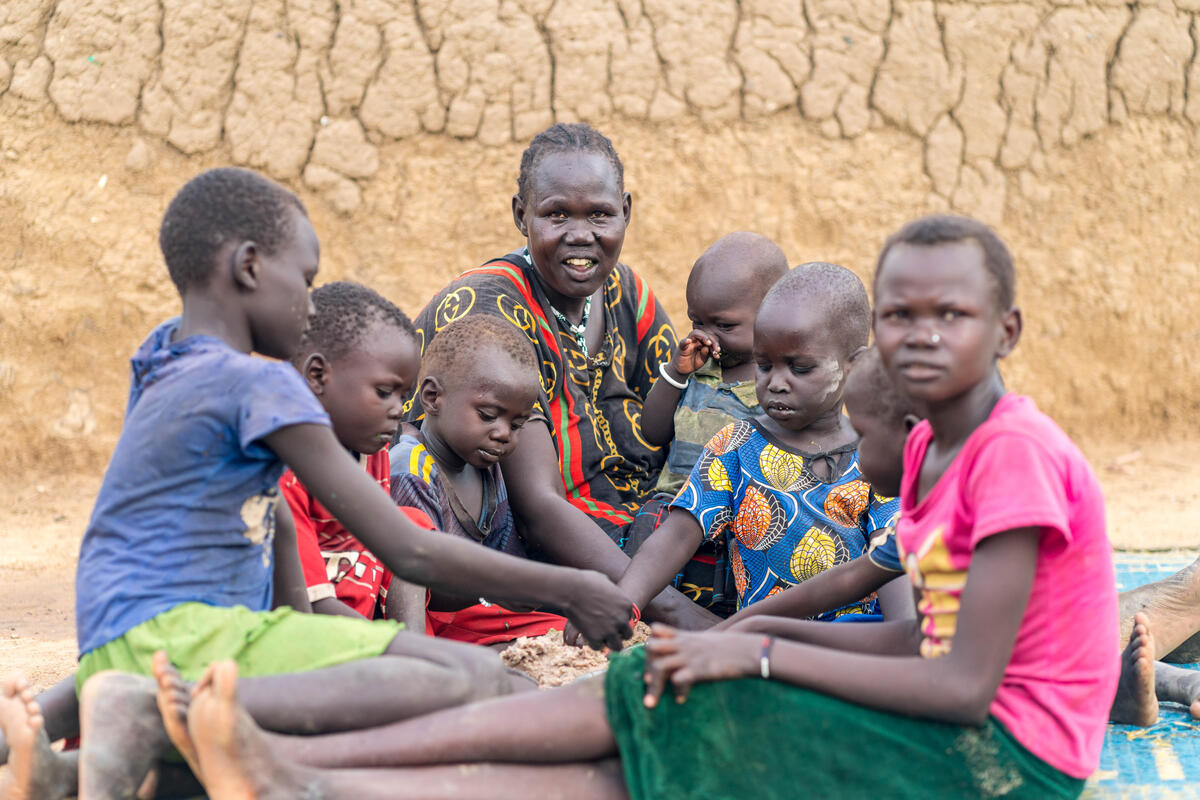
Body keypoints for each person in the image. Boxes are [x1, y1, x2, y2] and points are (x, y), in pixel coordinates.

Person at [119, 214, 1135, 800]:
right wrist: (753, 629)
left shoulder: (1012, 458)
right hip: (950, 728)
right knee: (652, 695)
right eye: (900, 314)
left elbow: (958, 684)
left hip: (1007, 765)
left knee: (680, 738)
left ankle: (314, 778)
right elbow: (910, 634)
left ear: (1006, 328)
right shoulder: (928, 450)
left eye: (948, 314)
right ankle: (282, 762)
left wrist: (760, 652)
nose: (920, 335)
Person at [16, 167, 634, 800]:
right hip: (191, 640)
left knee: (442, 672)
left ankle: (104, 753)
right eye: (305, 282)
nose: (310, 306)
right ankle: (167, 719)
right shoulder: (262, 386)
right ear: (250, 267)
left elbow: (259, 532)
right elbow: (408, 549)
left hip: (113, 643)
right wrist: (572, 589)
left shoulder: (160, 356)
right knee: (472, 679)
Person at [404, 122, 712, 630]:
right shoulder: (492, 309)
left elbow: (679, 416)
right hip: (534, 566)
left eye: (599, 215)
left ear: (626, 212)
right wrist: (663, 605)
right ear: (521, 215)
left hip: (636, 540)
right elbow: (539, 507)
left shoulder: (627, 294)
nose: (581, 235)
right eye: (556, 214)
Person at [616, 263, 900, 622]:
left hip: (850, 645)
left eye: (799, 368)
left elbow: (894, 565)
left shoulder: (877, 457)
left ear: (854, 366)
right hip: (759, 645)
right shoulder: (736, 445)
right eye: (764, 365)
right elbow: (677, 536)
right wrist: (624, 600)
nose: (776, 383)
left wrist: (911, 643)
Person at [390, 315, 568, 644]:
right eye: (487, 415)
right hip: (420, 622)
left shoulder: (486, 465)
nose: (503, 434)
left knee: (561, 626)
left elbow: (506, 552)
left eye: (517, 425)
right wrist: (496, 586)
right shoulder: (410, 468)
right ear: (432, 397)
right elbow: (418, 582)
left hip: (473, 615)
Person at [713, 345, 917, 629]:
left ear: (910, 433)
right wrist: (733, 633)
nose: (857, 455)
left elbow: (907, 639)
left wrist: (759, 648)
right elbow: (843, 582)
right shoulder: (913, 531)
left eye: (863, 436)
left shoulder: (945, 529)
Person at [280, 280, 431, 630]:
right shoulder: (279, 470)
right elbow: (309, 607)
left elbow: (393, 544)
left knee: (410, 525)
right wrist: (392, 648)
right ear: (317, 375)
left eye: (403, 397)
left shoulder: (369, 442)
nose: (398, 411)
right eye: (383, 392)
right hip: (303, 623)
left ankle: (413, 651)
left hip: (356, 608)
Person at [640, 231, 788, 496]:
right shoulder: (693, 373)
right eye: (697, 322)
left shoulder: (776, 386)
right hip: (673, 505)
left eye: (724, 325)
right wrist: (675, 374)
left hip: (739, 518)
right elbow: (652, 433)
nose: (707, 335)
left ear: (774, 313)